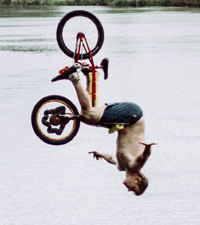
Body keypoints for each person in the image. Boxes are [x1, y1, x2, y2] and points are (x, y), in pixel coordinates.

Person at [53, 63, 155, 195]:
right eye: (133, 189)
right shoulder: (134, 165)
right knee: (89, 114)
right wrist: (148, 147)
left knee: (87, 118)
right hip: (132, 117)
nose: (128, 190)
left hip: (125, 122)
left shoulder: (121, 166)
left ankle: (91, 75)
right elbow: (144, 157)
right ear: (137, 180)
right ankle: (73, 76)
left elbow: (112, 158)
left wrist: (99, 153)